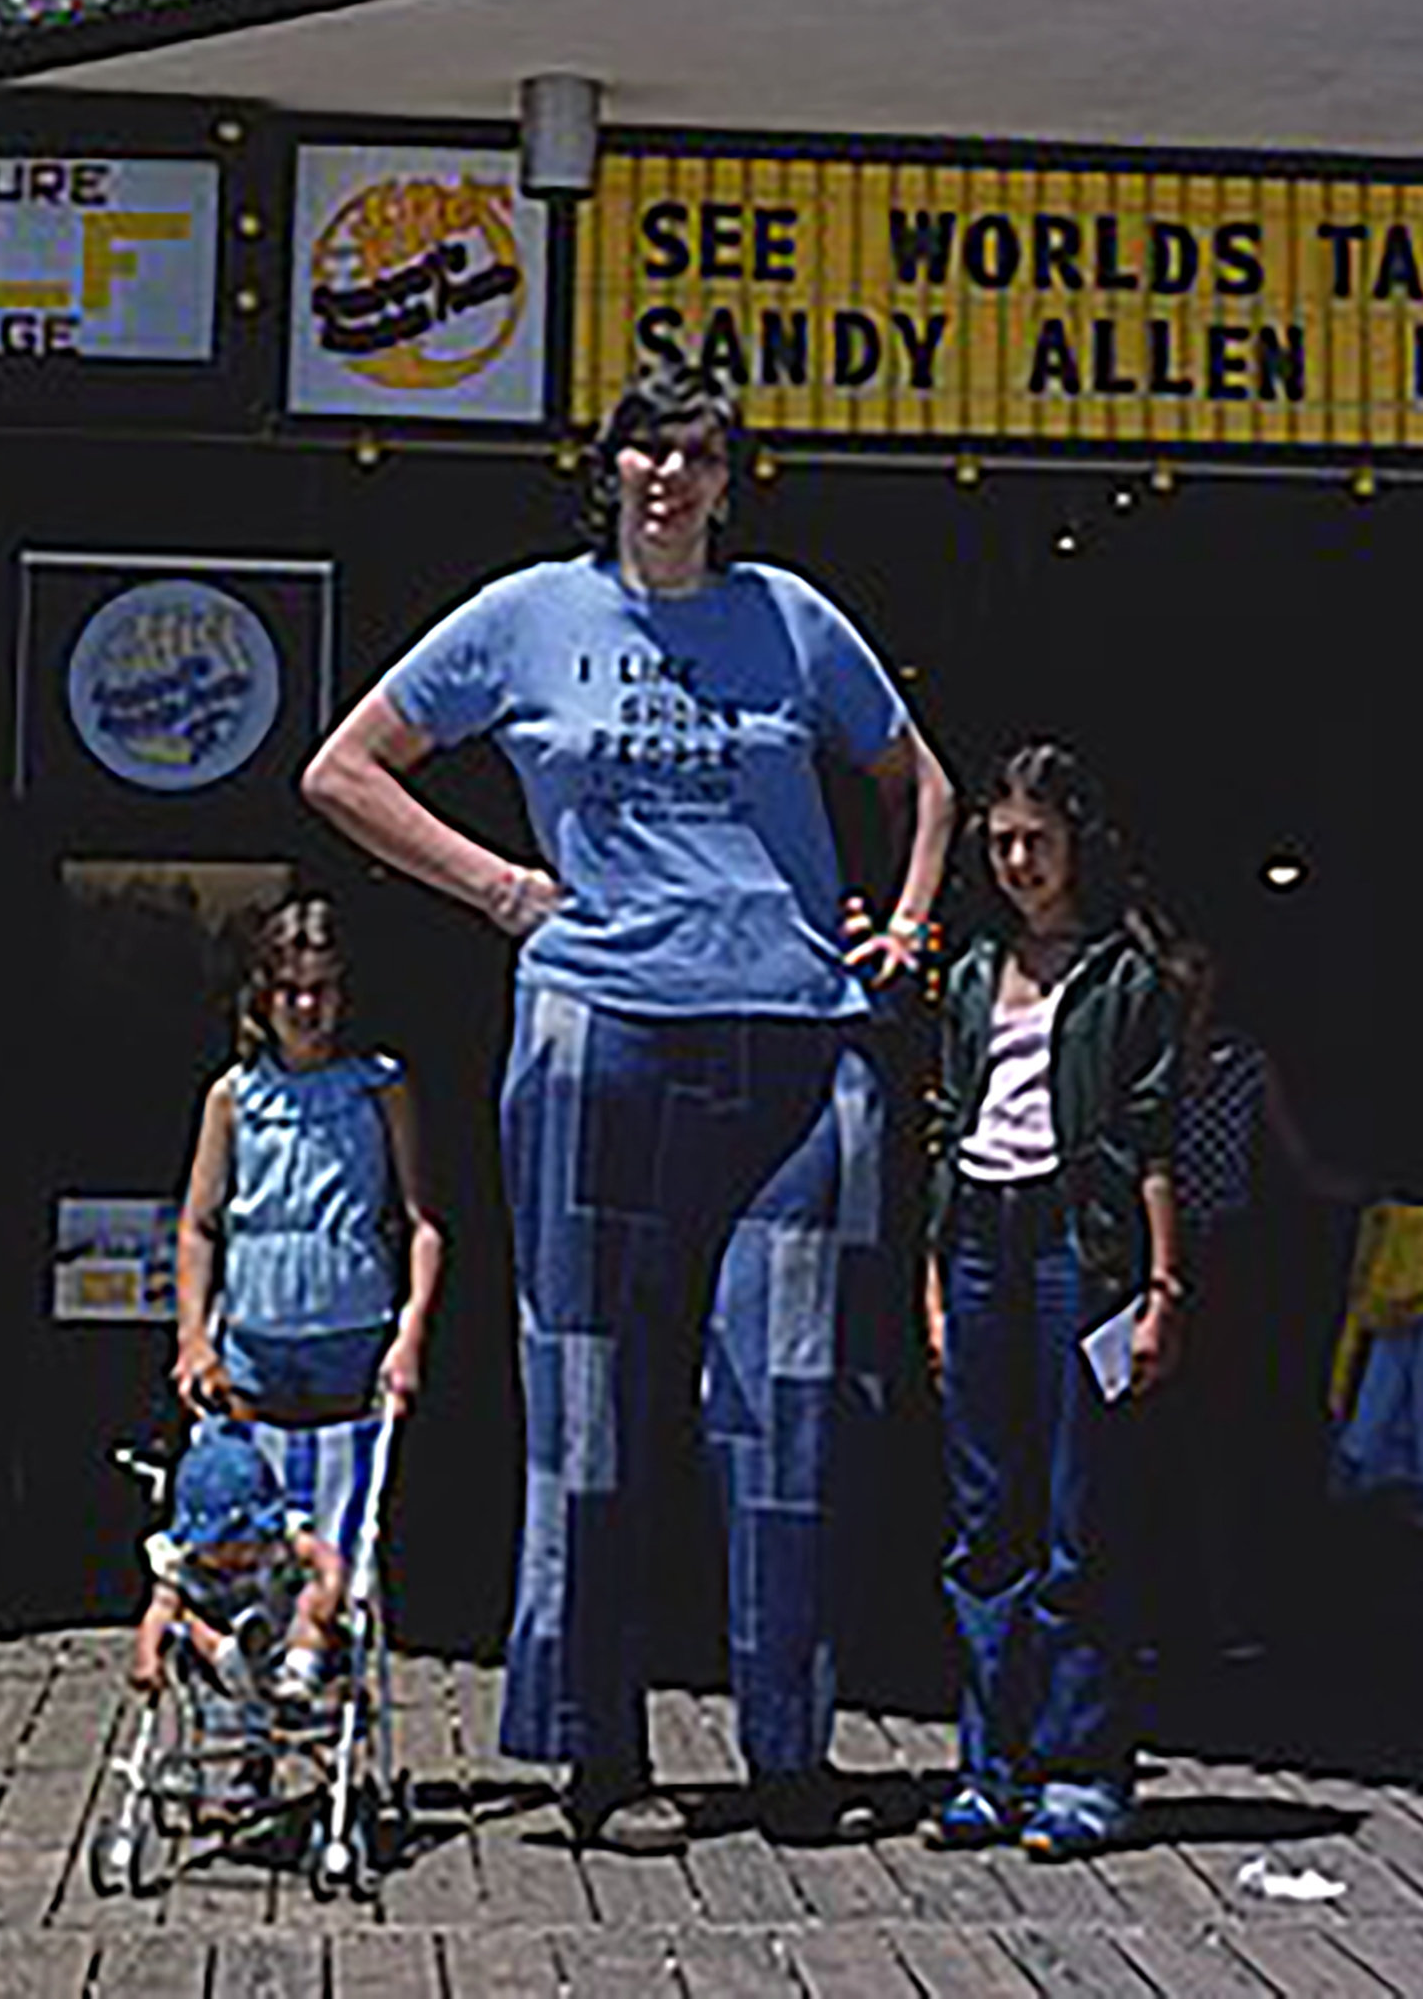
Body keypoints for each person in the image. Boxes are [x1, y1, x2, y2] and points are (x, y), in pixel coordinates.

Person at [302, 358, 955, 1855]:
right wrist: (503, 888)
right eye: (645, 450)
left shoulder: (793, 617)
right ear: (606, 471)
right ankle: (600, 1757)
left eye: (698, 453)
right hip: (599, 1037)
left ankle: (790, 1748)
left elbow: (924, 781)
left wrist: (907, 930)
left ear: (733, 478)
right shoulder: (530, 613)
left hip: (798, 1047)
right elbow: (343, 769)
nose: (669, 474)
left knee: (793, 1406)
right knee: (592, 1400)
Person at [922, 742, 1183, 1861]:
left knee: (1080, 1513)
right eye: (1001, 842)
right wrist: (928, 1278)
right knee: (986, 1519)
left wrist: (1164, 1287)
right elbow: (942, 1128)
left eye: (1037, 839)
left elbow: (1153, 1137)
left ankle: (1084, 1770)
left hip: (1081, 1247)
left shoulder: (1125, 976)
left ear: (1078, 840)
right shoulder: (976, 968)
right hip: (981, 1232)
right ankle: (992, 1767)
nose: (1018, 860)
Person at [1143, 934, 1362, 1663]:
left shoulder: (1243, 1061)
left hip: (1224, 1257)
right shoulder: (1140, 1058)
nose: (1192, 988)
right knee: (1146, 1434)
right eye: (1181, 975)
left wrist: (1366, 1196)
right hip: (1153, 1254)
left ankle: (1224, 1610)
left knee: (1218, 1436)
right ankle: (1148, 1611)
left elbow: (1293, 1157)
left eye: (1203, 974)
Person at [173, 893, 443, 1427]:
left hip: (352, 1334)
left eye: (320, 990)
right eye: (288, 991)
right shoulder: (233, 1095)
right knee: (249, 1492)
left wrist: (411, 1338)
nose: (304, 1007)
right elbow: (198, 1227)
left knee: (343, 1498)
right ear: (263, 997)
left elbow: (424, 1225)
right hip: (253, 1337)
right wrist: (194, 1341)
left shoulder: (379, 1086)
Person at [132, 1419, 347, 1712]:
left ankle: (299, 1671)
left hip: (284, 1633)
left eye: (246, 1546)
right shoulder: (181, 1559)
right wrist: (147, 1658)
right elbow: (158, 1612)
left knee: (309, 1601)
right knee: (184, 1616)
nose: (235, 1558)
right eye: (219, 1548)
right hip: (221, 1648)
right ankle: (233, 1661)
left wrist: (330, 1589)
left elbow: (324, 1555)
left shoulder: (280, 1539)